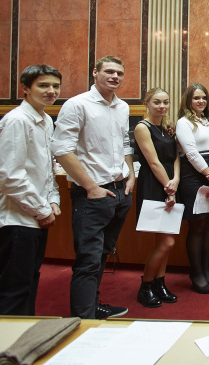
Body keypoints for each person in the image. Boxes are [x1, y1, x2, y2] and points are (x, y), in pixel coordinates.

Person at [52, 55, 135, 319]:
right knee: (87, 261)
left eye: (119, 73)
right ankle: (83, 319)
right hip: (93, 194)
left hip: (120, 191)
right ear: (95, 73)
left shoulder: (122, 107)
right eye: (109, 71)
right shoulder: (77, 105)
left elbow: (124, 144)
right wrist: (90, 187)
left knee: (102, 255)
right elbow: (62, 150)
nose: (115, 77)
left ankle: (92, 306)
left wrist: (130, 175)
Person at [0, 65, 62, 316]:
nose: (51, 91)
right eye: (43, 85)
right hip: (17, 218)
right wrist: (42, 209)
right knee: (14, 288)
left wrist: (53, 199)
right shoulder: (17, 121)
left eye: (55, 86)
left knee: (28, 282)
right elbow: (9, 177)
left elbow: (46, 168)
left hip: (35, 216)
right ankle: (2, 349)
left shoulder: (45, 120)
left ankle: (23, 342)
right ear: (25, 89)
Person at [133, 88, 180, 308]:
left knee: (167, 242)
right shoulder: (143, 128)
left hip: (171, 182)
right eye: (157, 102)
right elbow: (153, 162)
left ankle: (159, 284)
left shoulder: (167, 127)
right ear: (147, 103)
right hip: (154, 184)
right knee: (165, 241)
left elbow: (176, 157)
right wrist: (168, 187)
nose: (162, 106)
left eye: (166, 102)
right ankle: (146, 286)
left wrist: (176, 180)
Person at [175, 83, 209, 294]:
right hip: (194, 175)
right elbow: (191, 152)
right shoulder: (184, 122)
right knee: (197, 226)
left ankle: (206, 269)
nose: (201, 101)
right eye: (196, 98)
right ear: (188, 100)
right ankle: (195, 273)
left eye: (203, 97)